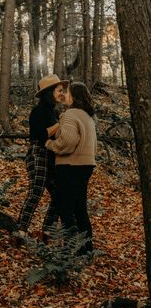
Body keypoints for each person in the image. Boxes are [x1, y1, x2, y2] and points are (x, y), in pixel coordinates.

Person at [45, 81, 97, 254]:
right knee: (80, 209)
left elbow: (67, 142)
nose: (64, 95)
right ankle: (86, 249)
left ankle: (71, 251)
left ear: (74, 96)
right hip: (86, 165)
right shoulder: (87, 116)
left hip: (70, 166)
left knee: (66, 209)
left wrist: (50, 144)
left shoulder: (70, 114)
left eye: (67, 92)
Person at [17, 74, 69, 240]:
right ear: (49, 92)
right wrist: (60, 123)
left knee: (59, 194)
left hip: (51, 156)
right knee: (36, 191)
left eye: (63, 90)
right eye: (59, 90)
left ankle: (47, 232)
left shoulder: (53, 112)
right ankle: (20, 232)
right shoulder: (38, 111)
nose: (62, 93)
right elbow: (41, 135)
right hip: (38, 153)